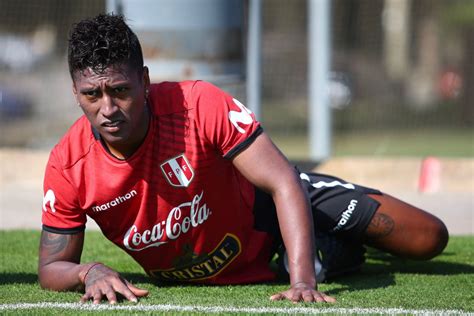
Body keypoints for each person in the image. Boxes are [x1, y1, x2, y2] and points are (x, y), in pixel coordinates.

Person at [39, 13, 448, 305]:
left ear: (144, 81)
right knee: (324, 255)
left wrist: (303, 282)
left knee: (427, 237)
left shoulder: (199, 105)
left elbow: (283, 182)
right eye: (92, 94)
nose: (108, 107)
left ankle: (306, 257)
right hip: (239, 268)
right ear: (76, 93)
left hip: (267, 214)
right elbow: (52, 267)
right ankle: (321, 253)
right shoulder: (67, 165)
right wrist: (86, 271)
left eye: (120, 90)